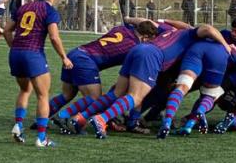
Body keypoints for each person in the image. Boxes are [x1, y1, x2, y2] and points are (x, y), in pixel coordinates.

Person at [88, 22, 228, 139]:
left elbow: (148, 21)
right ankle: (102, 118)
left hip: (138, 49)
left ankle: (80, 118)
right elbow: (208, 29)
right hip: (151, 55)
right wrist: (225, 45)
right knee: (136, 96)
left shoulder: (169, 30)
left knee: (118, 93)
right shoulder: (190, 34)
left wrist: (129, 18)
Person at [48, 18, 160, 132]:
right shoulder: (135, 48)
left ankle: (41, 119)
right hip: (86, 60)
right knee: (94, 97)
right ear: (145, 37)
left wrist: (135, 20)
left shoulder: (122, 28)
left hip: (75, 53)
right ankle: (62, 116)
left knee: (67, 94)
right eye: (151, 41)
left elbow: (130, 21)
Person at [3, 0, 72, 148]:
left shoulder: (24, 7)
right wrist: (64, 57)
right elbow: (54, 37)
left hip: (15, 54)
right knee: (42, 96)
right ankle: (41, 138)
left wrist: (16, 47)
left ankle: (18, 125)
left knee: (25, 90)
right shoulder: (49, 10)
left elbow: (6, 30)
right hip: (33, 54)